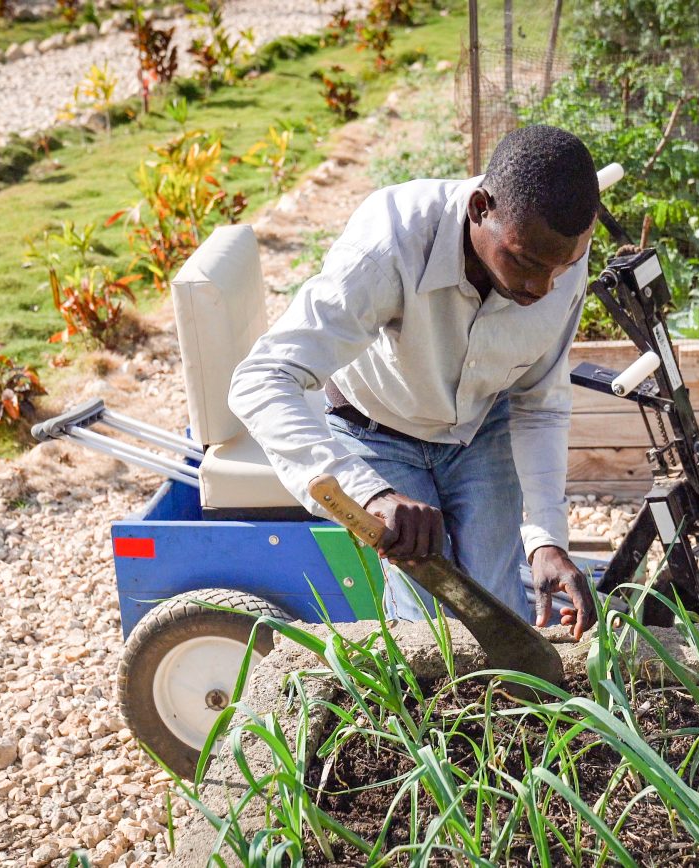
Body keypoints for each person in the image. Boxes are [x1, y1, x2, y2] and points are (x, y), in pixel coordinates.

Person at [228, 124, 601, 639]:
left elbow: (539, 405)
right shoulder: (391, 243)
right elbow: (262, 378)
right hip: (376, 428)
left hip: (478, 427)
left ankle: (507, 714)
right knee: (427, 624)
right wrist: (371, 494)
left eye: (562, 267)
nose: (542, 287)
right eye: (523, 262)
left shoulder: (557, 254)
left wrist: (546, 540)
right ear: (480, 209)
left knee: (501, 603)